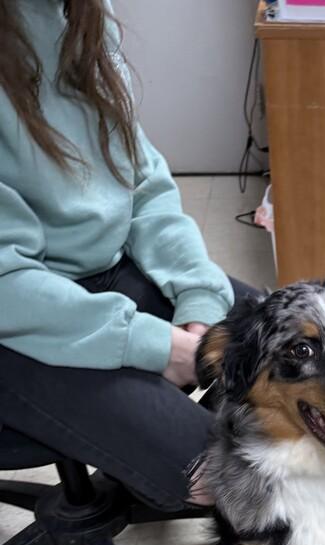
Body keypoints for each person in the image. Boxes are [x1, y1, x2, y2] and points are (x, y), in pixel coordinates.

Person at [0, 0, 254, 510]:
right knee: (228, 473)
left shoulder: (84, 12)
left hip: (95, 275)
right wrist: (153, 345)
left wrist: (197, 295)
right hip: (14, 320)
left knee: (288, 344)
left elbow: (142, 179)